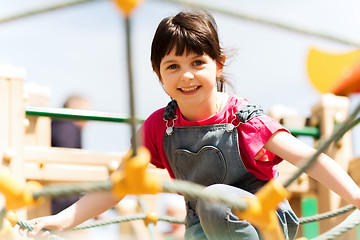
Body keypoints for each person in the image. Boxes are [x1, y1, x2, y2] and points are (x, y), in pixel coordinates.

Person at [20, 10, 360, 240]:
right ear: (158, 75)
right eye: (172, 66)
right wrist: (61, 220)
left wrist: (356, 197)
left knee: (213, 199)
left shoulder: (243, 119)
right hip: (204, 228)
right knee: (205, 210)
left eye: (198, 62)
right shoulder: (158, 128)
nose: (186, 75)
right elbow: (117, 186)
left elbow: (312, 160)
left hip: (264, 223)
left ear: (219, 65)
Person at [51, 95, 90, 215]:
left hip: (56, 196)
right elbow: (69, 160)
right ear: (75, 108)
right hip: (62, 200)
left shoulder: (57, 125)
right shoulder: (68, 128)